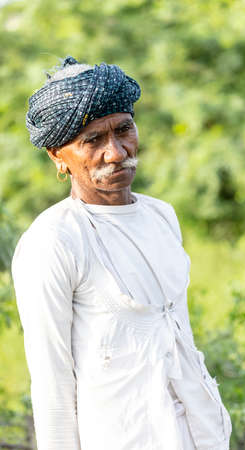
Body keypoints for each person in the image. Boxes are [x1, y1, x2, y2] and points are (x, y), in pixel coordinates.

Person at [11, 56, 232, 450]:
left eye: (124, 130)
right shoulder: (53, 241)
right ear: (57, 157)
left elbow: (176, 335)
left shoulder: (161, 216)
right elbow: (52, 382)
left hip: (199, 435)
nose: (115, 152)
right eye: (92, 141)